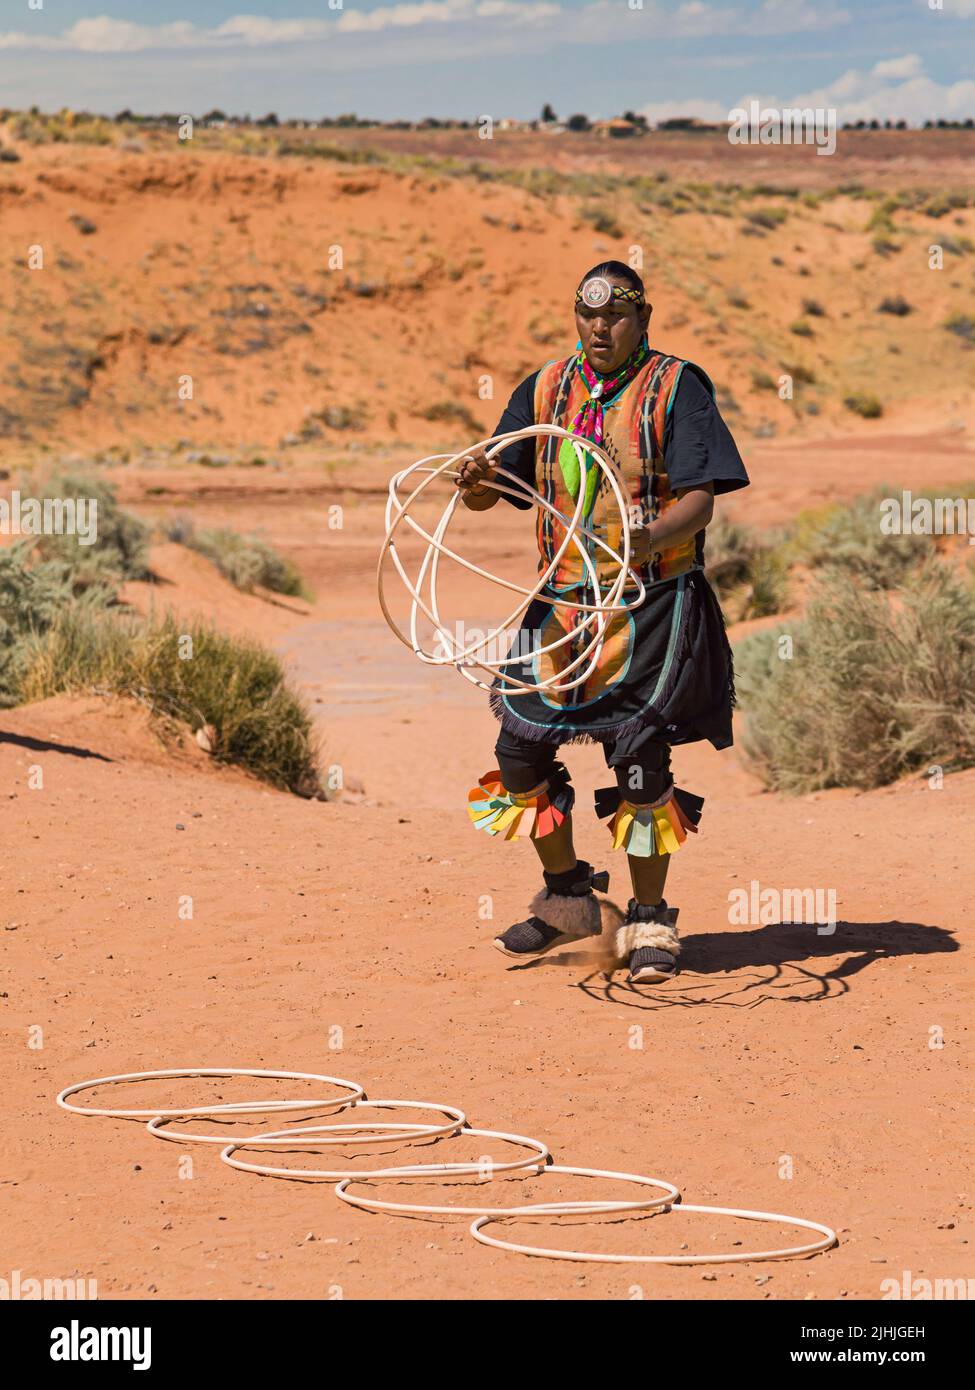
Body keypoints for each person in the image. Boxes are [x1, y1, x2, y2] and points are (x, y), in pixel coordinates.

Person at [459, 261, 749, 983]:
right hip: (562, 598)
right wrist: (476, 481)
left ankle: (650, 918)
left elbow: (699, 499)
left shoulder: (677, 387)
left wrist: (648, 538)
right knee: (518, 753)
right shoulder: (546, 387)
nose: (598, 328)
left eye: (614, 317)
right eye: (587, 316)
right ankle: (567, 903)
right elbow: (494, 492)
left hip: (648, 600)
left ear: (641, 319)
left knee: (640, 761)